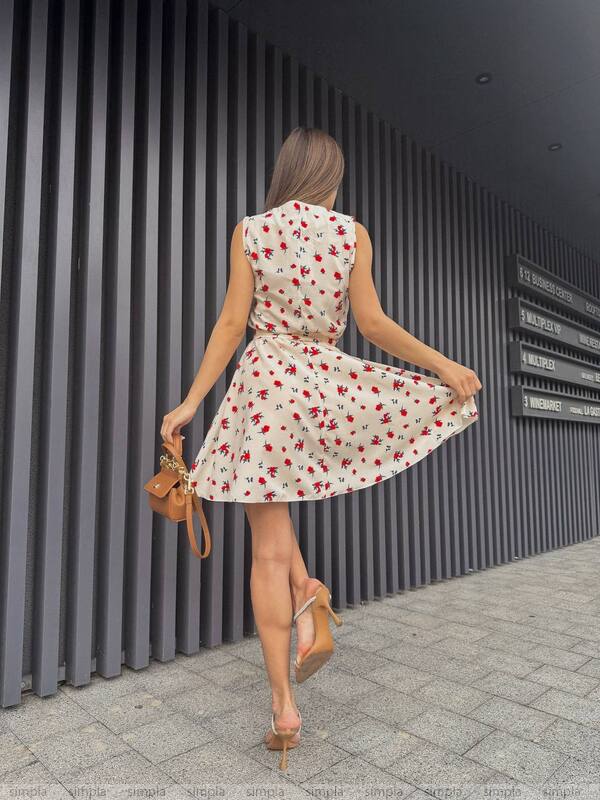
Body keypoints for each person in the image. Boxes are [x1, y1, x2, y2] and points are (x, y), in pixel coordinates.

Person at [160, 126, 482, 769]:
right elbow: (372, 325)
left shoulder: (251, 231)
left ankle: (283, 704)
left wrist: (192, 403)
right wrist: (443, 365)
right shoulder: (350, 233)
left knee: (265, 547)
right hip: (318, 390)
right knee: (278, 531)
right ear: (330, 178)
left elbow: (230, 323)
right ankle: (309, 595)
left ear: (286, 173)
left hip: (263, 388)